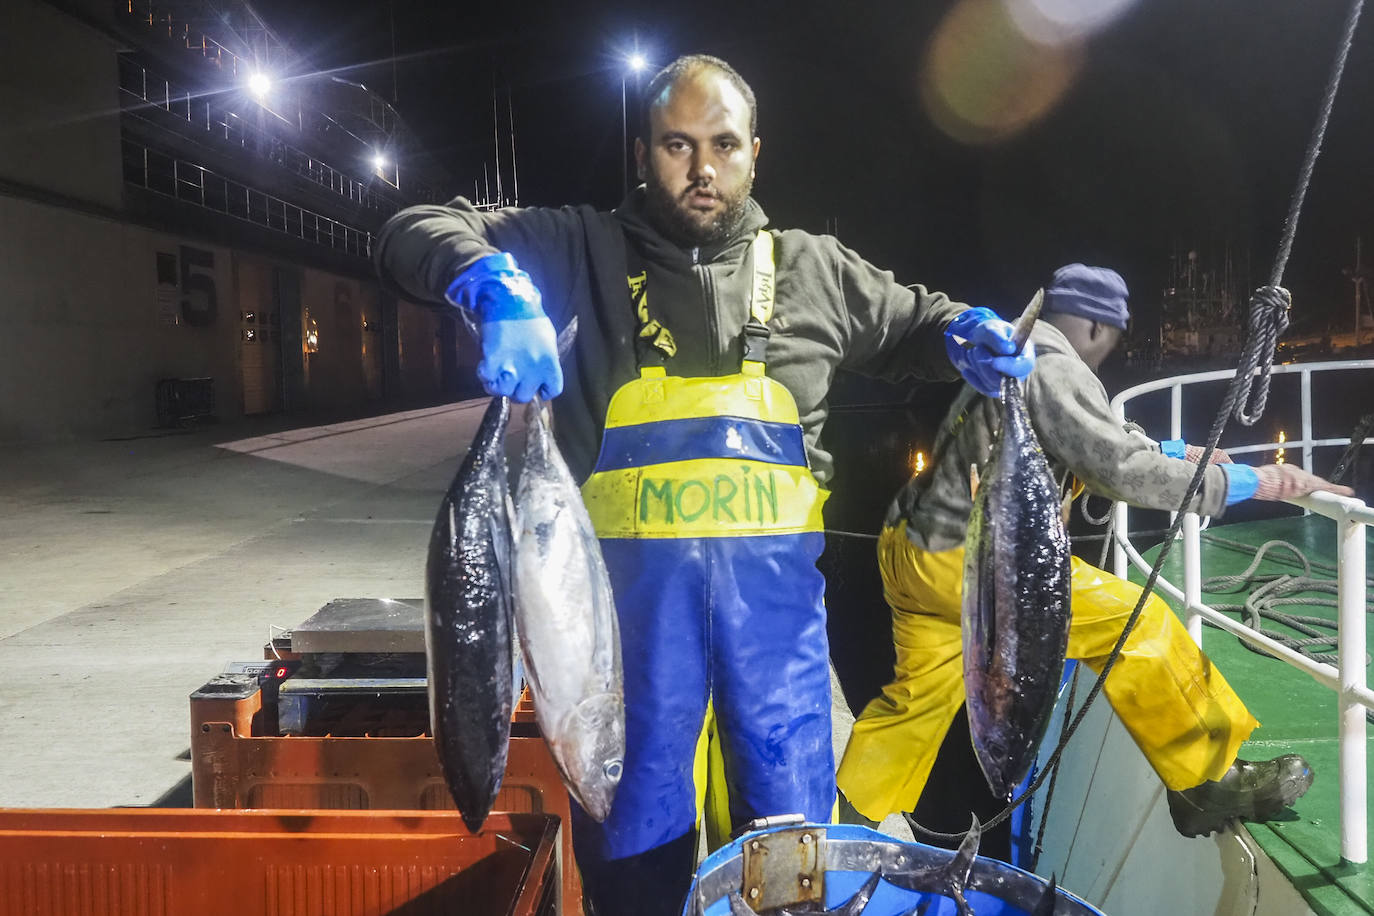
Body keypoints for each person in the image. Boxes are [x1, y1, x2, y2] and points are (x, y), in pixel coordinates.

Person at [374, 54, 1033, 916]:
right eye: (677, 145)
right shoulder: (579, 249)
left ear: (755, 152)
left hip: (783, 661)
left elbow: (914, 322)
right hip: (625, 658)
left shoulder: (816, 272)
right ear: (643, 152)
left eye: (723, 145)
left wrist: (960, 335)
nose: (702, 168)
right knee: (636, 872)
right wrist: (488, 281)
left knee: (793, 866)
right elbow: (409, 229)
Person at [836, 263, 1354, 840]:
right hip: (978, 562)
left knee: (916, 701)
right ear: (1093, 326)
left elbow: (1093, 432)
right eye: (1112, 333)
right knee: (1141, 625)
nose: (1111, 347)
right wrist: (1258, 483)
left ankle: (847, 823)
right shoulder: (1055, 366)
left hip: (912, 550)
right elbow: (1120, 469)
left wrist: (1181, 452)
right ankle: (1207, 780)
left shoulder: (1025, 353)